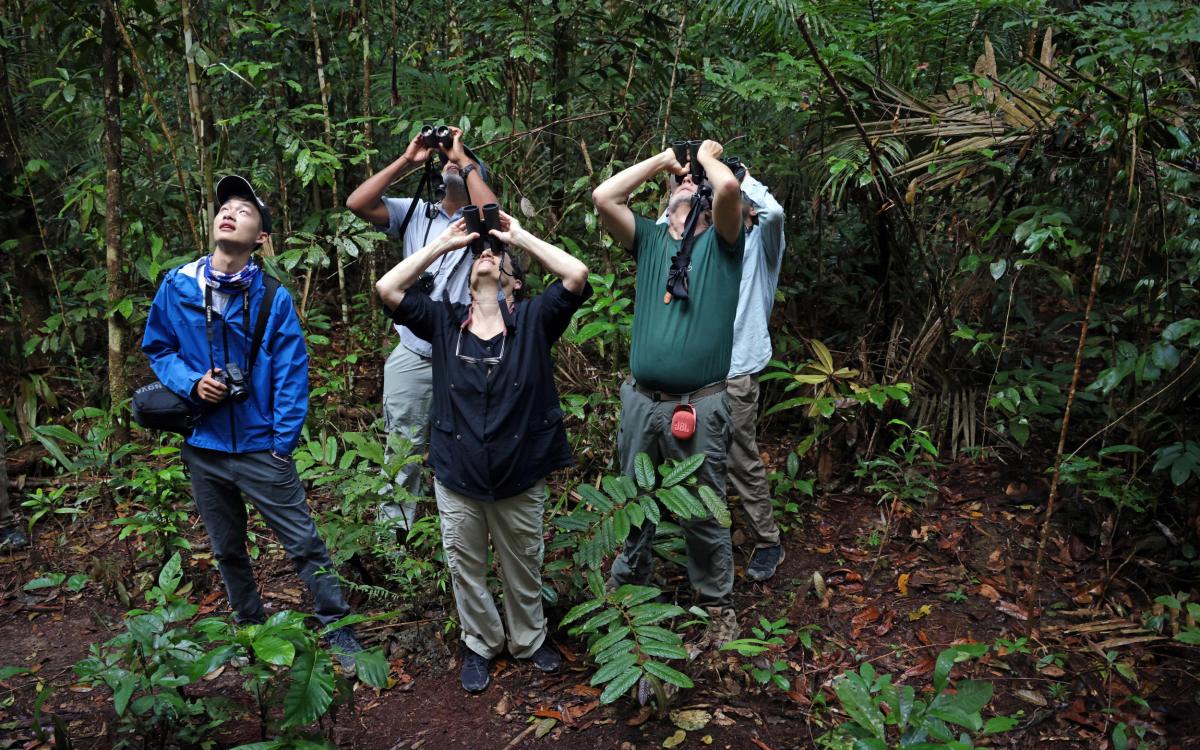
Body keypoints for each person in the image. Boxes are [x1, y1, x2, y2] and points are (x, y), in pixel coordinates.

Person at [142, 175, 363, 668]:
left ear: (261, 237)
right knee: (227, 549)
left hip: (263, 448)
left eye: (244, 211)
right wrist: (191, 382)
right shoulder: (177, 286)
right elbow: (158, 347)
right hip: (204, 445)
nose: (230, 213)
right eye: (225, 207)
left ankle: (337, 626)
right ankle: (251, 632)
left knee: (304, 544)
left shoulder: (271, 296)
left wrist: (283, 444)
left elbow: (291, 373)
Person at [375, 210, 590, 694]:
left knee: (522, 562)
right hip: (458, 474)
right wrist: (441, 246)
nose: (486, 258)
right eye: (479, 258)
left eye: (497, 258)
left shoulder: (534, 321)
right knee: (465, 566)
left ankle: (529, 640)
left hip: (520, 472)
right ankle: (479, 643)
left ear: (513, 283)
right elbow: (388, 289)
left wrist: (519, 236)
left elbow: (575, 275)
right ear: (468, 282)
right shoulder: (444, 323)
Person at [592, 140, 744, 650]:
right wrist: (663, 162)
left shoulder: (724, 244)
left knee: (703, 503)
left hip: (697, 404)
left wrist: (704, 157)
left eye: (691, 183)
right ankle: (629, 584)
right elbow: (604, 197)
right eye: (679, 184)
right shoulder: (653, 244)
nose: (687, 184)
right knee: (632, 495)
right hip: (641, 400)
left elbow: (725, 185)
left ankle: (716, 604)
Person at [346, 126, 499, 536]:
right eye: (446, 159)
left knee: (472, 443)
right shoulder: (416, 211)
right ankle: (393, 543)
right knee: (402, 446)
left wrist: (464, 158)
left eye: (463, 163)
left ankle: (463, 537)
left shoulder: (487, 221)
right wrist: (408, 159)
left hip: (470, 351)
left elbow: (490, 215)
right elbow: (356, 202)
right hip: (414, 350)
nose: (452, 160)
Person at [725, 172, 787, 581]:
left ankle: (768, 540)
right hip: (697, 370)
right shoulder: (708, 244)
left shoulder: (762, 247)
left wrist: (744, 178)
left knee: (740, 458)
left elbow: (775, 212)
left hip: (738, 369)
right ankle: (712, 537)